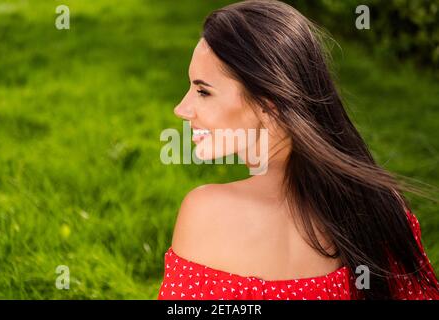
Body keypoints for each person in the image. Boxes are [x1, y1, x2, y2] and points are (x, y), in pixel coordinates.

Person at [158, 0, 439, 300]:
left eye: (203, 91)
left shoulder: (205, 212)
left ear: (268, 105)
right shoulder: (383, 208)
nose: (182, 108)